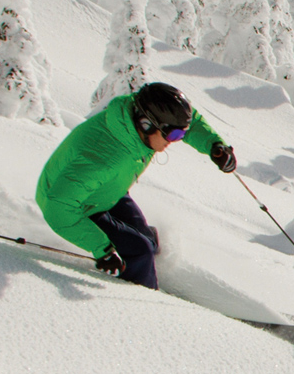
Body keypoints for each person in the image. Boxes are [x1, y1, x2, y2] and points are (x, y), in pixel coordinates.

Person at [36, 82, 238, 289]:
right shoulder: (103, 158)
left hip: (106, 190)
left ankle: (147, 271)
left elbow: (190, 121)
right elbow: (57, 207)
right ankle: (140, 299)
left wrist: (214, 145)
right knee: (140, 251)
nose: (175, 141)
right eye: (173, 135)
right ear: (146, 124)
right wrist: (101, 249)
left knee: (149, 240)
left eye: (180, 135)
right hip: (76, 206)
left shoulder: (137, 120)